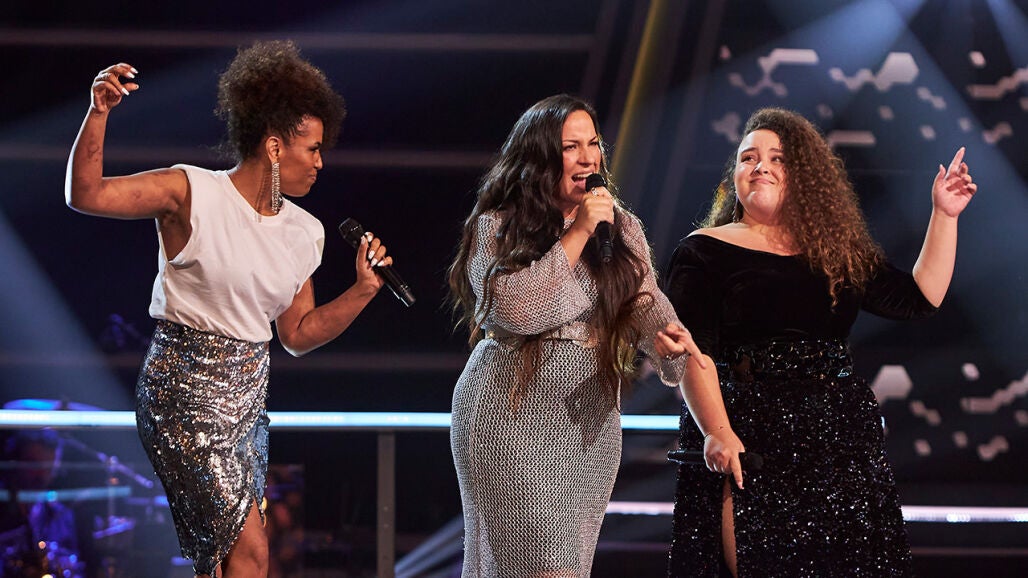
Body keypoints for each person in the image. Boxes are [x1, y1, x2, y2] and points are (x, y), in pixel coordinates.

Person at [65, 41, 395, 578]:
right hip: (183, 396)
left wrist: (362, 290)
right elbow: (87, 194)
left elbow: (297, 334)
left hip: (247, 404)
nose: (320, 162)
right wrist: (98, 112)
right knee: (251, 553)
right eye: (312, 148)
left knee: (222, 562)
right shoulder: (191, 191)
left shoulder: (305, 232)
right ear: (274, 146)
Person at [659, 107, 977, 577]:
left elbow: (918, 298)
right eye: (748, 157)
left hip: (837, 440)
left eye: (777, 158)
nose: (761, 166)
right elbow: (693, 353)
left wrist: (944, 215)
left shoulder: (835, 250)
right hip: (750, 434)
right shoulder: (703, 251)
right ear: (735, 174)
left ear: (804, 176)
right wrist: (717, 432)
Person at [447, 94, 704, 577]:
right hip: (510, 414)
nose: (588, 158)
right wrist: (579, 232)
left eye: (594, 144)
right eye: (571, 147)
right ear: (541, 155)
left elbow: (645, 302)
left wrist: (666, 339)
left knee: (569, 566)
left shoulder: (623, 228)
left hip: (590, 423)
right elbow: (516, 311)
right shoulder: (497, 225)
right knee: (539, 566)